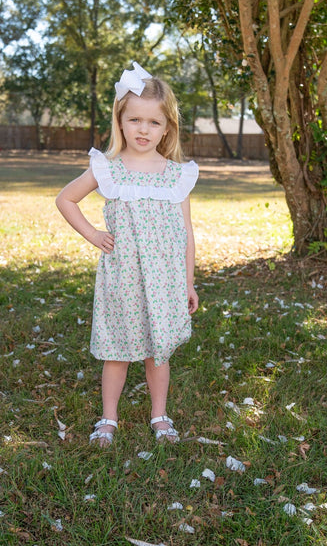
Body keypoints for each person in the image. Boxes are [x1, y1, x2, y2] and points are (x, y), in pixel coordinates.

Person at [56, 61, 199, 447]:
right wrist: (93, 234)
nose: (143, 129)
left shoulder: (176, 175)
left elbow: (186, 233)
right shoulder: (109, 170)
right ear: (120, 121)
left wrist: (188, 282)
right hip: (123, 278)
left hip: (166, 281)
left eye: (153, 122)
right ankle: (108, 418)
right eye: (135, 120)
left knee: (159, 352)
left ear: (167, 127)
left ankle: (159, 414)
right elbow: (65, 198)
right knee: (117, 351)